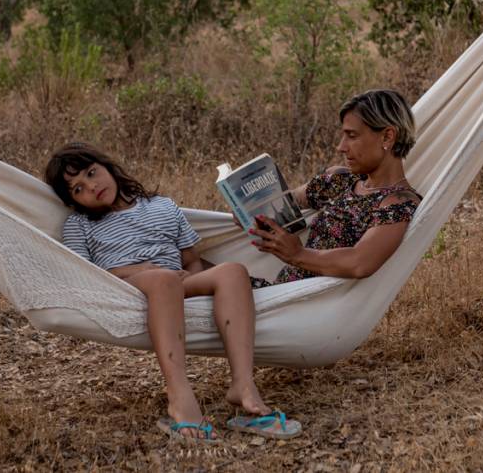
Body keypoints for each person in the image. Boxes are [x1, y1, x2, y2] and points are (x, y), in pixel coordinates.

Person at [44, 143, 301, 443]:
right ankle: (180, 399)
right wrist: (136, 270)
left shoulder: (163, 206)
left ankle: (243, 387)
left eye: (91, 173)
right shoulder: (79, 225)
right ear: (73, 202)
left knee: (232, 271)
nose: (92, 186)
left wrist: (189, 278)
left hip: (176, 284)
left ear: (107, 166)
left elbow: (191, 259)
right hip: (126, 289)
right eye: (78, 189)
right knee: (163, 279)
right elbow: (84, 277)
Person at [249, 89, 422, 283]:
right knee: (214, 257)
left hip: (298, 305)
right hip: (275, 292)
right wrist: (252, 213)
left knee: (229, 274)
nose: (341, 147)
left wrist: (297, 254)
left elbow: (360, 262)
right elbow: (285, 202)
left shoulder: (397, 204)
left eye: (352, 136)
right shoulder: (340, 180)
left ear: (387, 137)